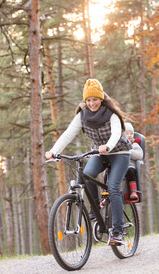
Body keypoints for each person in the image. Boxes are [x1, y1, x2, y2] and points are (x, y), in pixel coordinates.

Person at [45, 78, 131, 246]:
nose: (92, 103)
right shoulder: (82, 116)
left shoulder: (111, 114)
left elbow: (115, 134)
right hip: (99, 153)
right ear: (85, 101)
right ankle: (96, 206)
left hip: (119, 152)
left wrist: (108, 146)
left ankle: (118, 231)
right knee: (87, 174)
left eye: (95, 99)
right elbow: (68, 134)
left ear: (101, 99)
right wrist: (54, 151)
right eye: (89, 100)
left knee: (113, 188)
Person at [124, 122, 143, 202]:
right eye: (127, 133)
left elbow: (139, 155)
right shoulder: (118, 145)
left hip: (130, 166)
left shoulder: (134, 145)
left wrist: (129, 151)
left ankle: (133, 192)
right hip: (118, 166)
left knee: (131, 172)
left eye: (131, 133)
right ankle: (105, 193)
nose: (129, 135)